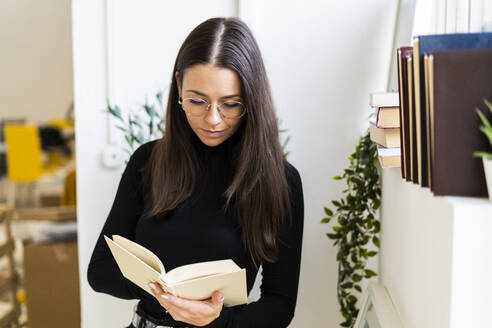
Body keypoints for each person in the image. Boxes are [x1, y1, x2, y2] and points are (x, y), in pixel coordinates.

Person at [87, 17, 304, 328]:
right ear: (178, 87)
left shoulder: (279, 181)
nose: (213, 119)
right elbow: (100, 272)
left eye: (230, 104)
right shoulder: (147, 161)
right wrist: (163, 291)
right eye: (197, 101)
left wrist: (215, 319)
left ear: (252, 100)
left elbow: (280, 305)